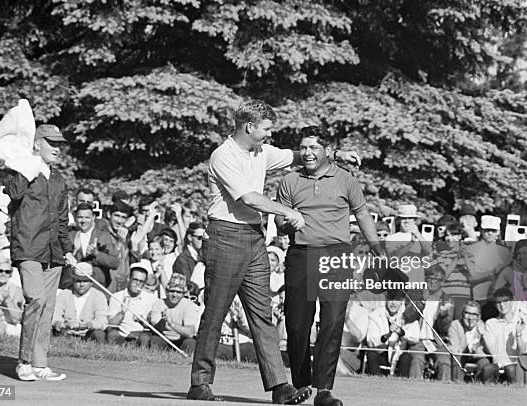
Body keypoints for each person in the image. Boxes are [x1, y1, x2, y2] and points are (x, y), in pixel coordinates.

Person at [188, 100, 360, 404]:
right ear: (249, 127)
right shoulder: (223, 156)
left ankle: (280, 387)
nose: (270, 134)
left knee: (262, 314)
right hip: (226, 235)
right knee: (216, 312)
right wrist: (287, 212)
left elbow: (299, 154)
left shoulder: (261, 152)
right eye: (266, 128)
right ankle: (200, 383)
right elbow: (250, 197)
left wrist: (338, 154)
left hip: (254, 239)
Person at [274, 125, 382, 406]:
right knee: (297, 324)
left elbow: (362, 213)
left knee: (332, 322)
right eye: (304, 147)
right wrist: (288, 222)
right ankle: (300, 384)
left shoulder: (345, 179)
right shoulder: (290, 180)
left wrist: (377, 246)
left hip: (337, 255)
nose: (307, 153)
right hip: (301, 254)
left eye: (313, 148)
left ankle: (323, 390)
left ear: (328, 152)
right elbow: (278, 224)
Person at [4, 124, 75, 381]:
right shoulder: (20, 170)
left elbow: (63, 220)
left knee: (47, 306)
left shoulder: (58, 179)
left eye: (60, 144)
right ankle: (23, 362)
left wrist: (68, 250)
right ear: (37, 144)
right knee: (35, 299)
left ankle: (40, 364)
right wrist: (28, 167)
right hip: (28, 248)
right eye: (51, 142)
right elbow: (13, 193)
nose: (57, 148)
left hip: (54, 252)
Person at [66, 203, 120, 288]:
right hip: (73, 285)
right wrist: (75, 251)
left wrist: (96, 254)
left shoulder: (103, 236)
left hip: (96, 285)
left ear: (93, 218)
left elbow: (115, 263)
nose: (83, 221)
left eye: (87, 217)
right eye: (80, 217)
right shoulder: (69, 236)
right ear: (75, 217)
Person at [52, 263, 108, 343]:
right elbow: (55, 316)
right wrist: (63, 324)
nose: (81, 284)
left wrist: (89, 325)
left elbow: (102, 320)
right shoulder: (64, 294)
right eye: (78, 281)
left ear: (91, 282)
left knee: (99, 335)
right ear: (73, 280)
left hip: (88, 333)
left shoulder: (99, 296)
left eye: (85, 281)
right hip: (66, 331)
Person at [106, 262, 158, 347]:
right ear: (128, 279)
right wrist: (122, 313)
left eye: (141, 281)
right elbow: (111, 323)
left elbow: (153, 327)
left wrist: (143, 321)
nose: (137, 283)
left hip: (140, 336)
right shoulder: (116, 297)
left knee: (145, 337)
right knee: (112, 334)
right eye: (135, 279)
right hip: (121, 335)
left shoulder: (152, 299)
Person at [149, 273, 200, 353]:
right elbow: (155, 330)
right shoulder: (158, 303)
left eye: (178, 292)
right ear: (167, 292)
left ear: (184, 294)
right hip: (164, 338)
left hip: (182, 339)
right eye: (172, 291)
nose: (174, 295)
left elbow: (190, 333)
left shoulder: (190, 306)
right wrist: (162, 321)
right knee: (155, 340)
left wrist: (172, 324)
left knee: (191, 343)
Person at [447, 301, 490, 381]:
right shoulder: (455, 325)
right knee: (456, 358)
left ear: (479, 317)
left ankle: (478, 387)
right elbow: (454, 349)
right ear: (462, 314)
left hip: (476, 357)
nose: (470, 318)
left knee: (485, 363)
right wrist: (468, 349)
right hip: (460, 357)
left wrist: (483, 334)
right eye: (467, 313)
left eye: (474, 314)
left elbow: (488, 352)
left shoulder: (483, 327)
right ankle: (457, 384)